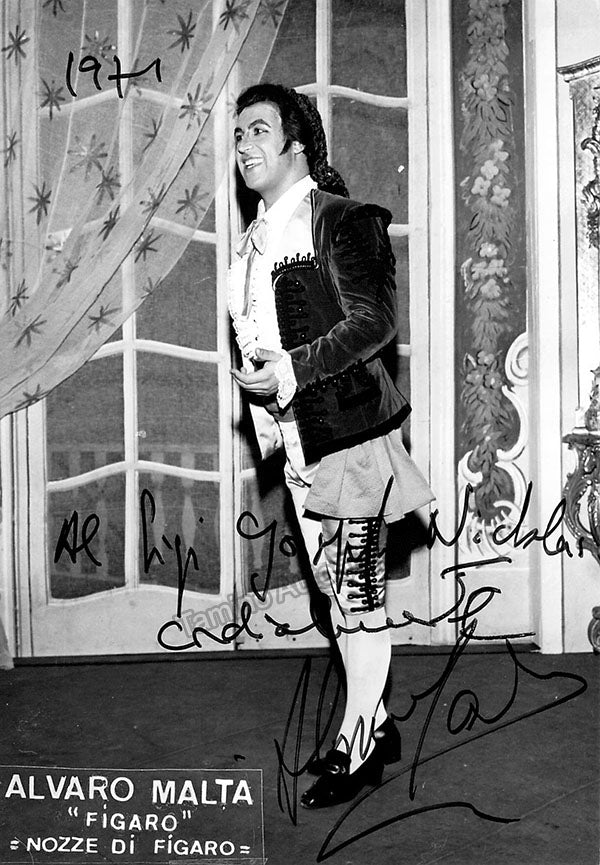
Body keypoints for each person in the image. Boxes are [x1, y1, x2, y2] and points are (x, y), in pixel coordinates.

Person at [228, 83, 434, 809]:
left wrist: (288, 368)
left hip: (352, 441)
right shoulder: (254, 242)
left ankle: (358, 746)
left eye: (259, 130)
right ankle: (375, 723)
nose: (244, 145)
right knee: (336, 599)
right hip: (299, 444)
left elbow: (374, 323)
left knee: (358, 599)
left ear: (297, 144)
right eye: (238, 134)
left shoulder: (342, 220)